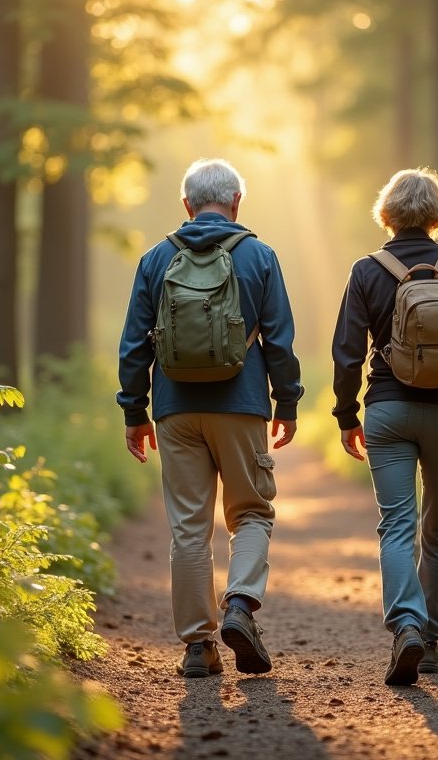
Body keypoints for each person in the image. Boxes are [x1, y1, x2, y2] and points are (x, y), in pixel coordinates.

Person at [118, 158, 304, 678]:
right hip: (242, 406)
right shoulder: (259, 255)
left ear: (187, 206)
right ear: (237, 203)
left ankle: (198, 647)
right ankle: (240, 605)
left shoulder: (157, 259)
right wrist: (285, 403)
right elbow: (280, 341)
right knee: (250, 513)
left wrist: (135, 412)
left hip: (175, 410)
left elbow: (134, 344)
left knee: (189, 529)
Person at [331, 168, 438, 686]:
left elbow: (346, 354)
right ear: (437, 213)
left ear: (386, 212)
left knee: (396, 524)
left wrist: (347, 416)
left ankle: (405, 625)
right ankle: (429, 643)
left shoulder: (366, 270)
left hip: (387, 411)